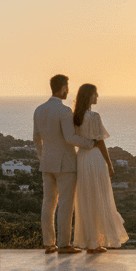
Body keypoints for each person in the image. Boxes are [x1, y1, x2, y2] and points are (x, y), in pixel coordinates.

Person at [33, 74, 96, 254]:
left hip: (46, 163)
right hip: (66, 164)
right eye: (67, 87)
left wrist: (41, 156)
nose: (68, 91)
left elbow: (36, 138)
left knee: (48, 204)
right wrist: (92, 143)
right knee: (66, 204)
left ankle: (48, 243)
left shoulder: (39, 110)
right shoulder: (64, 111)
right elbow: (70, 138)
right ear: (62, 89)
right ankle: (64, 244)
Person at [70, 83, 129, 252]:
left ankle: (91, 242)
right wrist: (109, 164)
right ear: (89, 96)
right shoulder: (94, 116)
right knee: (100, 197)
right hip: (95, 157)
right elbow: (100, 142)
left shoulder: (74, 117)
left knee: (86, 198)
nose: (98, 97)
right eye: (95, 94)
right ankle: (97, 243)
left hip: (81, 158)